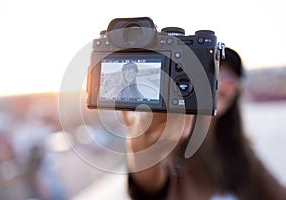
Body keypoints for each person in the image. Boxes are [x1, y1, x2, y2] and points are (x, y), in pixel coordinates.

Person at [121, 48, 286, 200]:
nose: (219, 84)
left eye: (229, 79)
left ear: (237, 90)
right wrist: (144, 148)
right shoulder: (175, 141)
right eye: (212, 74)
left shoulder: (242, 151)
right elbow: (149, 187)